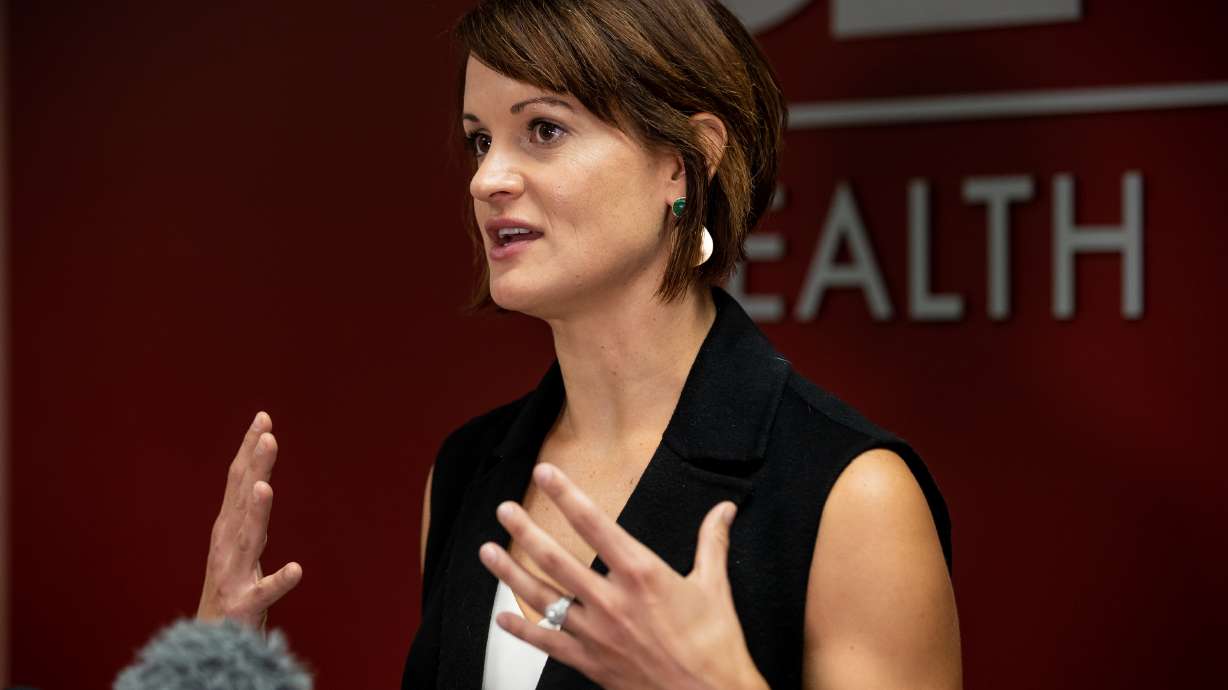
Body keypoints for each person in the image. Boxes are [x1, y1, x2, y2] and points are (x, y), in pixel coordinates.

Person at [196, 1, 962, 688]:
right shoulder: (467, 470)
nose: (487, 179)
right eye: (478, 141)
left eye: (544, 130)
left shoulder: (853, 495)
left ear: (682, 161)